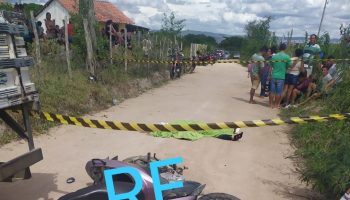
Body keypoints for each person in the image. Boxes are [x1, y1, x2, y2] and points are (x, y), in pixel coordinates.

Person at [269, 43, 292, 109]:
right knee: (278, 92)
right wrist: (285, 66)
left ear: (279, 48)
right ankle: (276, 105)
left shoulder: (274, 56)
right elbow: (289, 65)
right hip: (281, 77)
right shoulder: (287, 57)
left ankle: (270, 105)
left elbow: (271, 65)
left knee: (272, 91)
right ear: (285, 48)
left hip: (274, 75)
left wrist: (270, 75)